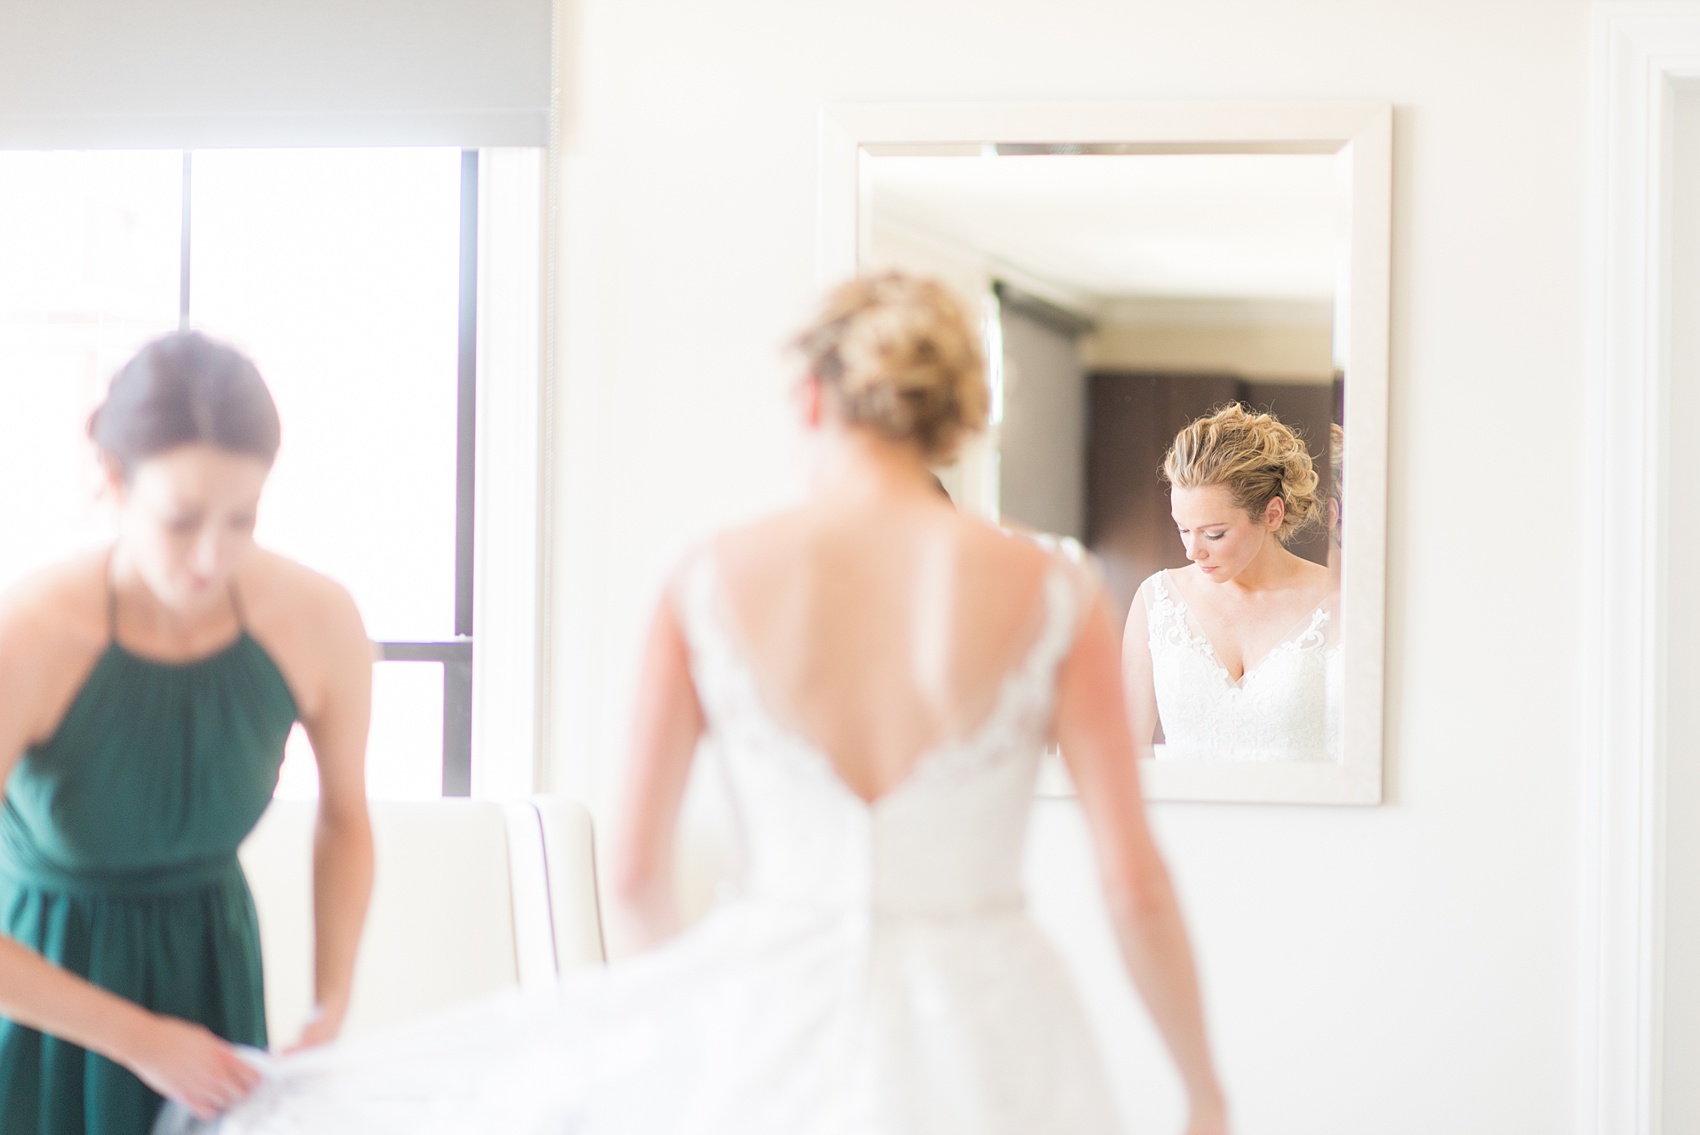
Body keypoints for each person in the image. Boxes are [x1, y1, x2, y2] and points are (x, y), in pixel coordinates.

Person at [182, 273, 1227, 1135]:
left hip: (764, 1019)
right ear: (952, 415)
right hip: (989, 1024)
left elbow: (633, 868)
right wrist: (1201, 1087)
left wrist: (683, 1038)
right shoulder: (1051, 592)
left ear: (812, 399)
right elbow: (1129, 881)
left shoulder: (709, 578)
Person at [0, 333, 375, 1134]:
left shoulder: (318, 620)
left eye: (242, 518)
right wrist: (136, 1038)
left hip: (214, 984)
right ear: (113, 482)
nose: (213, 557)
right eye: (181, 519)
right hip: (39, 1002)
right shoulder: (28, 636)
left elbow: (346, 819)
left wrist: (329, 1005)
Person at [1123, 405, 1339, 762]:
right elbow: (1126, 755)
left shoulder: (1338, 601)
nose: (1193, 551)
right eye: (1183, 529)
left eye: (1214, 533)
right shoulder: (1156, 602)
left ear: (1272, 515)